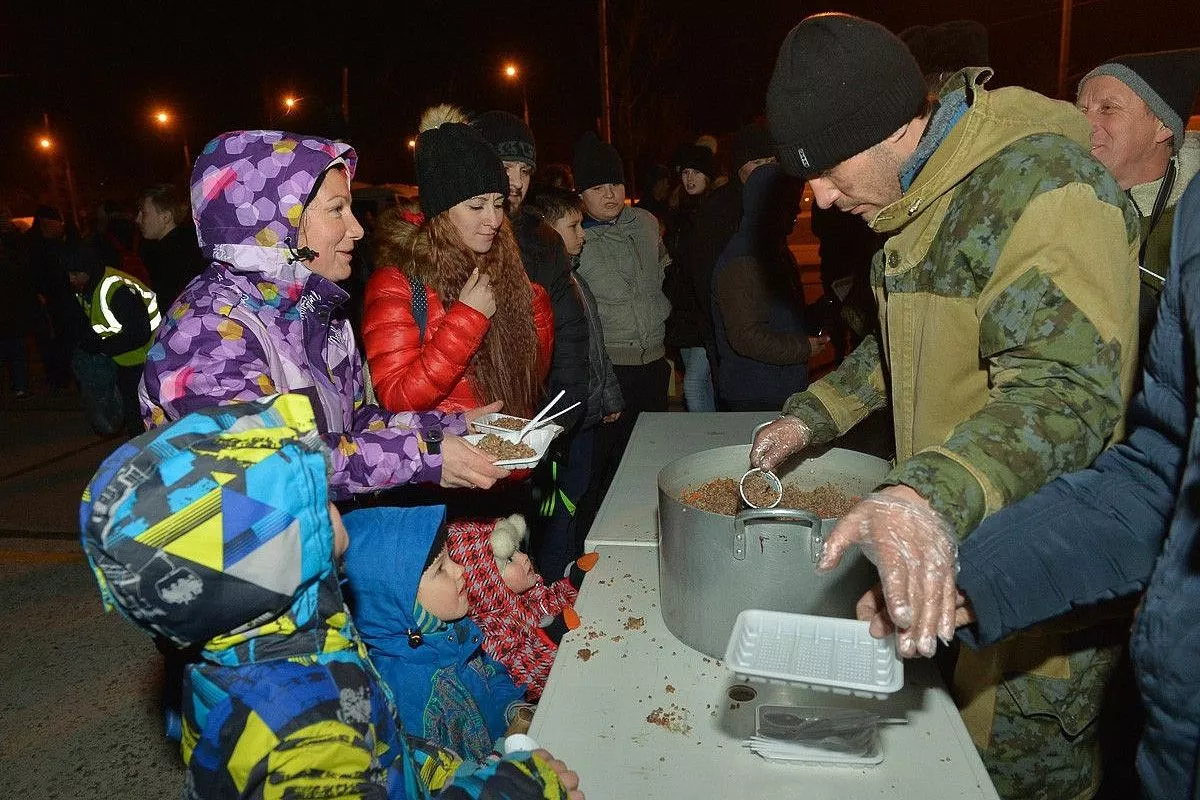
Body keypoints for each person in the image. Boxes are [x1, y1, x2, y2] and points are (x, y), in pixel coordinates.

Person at [754, 14, 1140, 800]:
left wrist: (923, 494)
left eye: (828, 170)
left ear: (893, 126)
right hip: (953, 556)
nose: (820, 197)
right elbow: (900, 346)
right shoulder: (924, 195)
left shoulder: (1043, 187)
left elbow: (1066, 395)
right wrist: (811, 415)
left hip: (1032, 585)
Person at [859, 173, 1200, 800]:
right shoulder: (1199, 220)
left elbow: (1062, 397)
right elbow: (1157, 481)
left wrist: (933, 490)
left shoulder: (1055, 194)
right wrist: (967, 578)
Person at [79, 393, 584, 799]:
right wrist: (514, 788)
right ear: (269, 559)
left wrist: (458, 773)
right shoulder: (302, 739)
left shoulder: (287, 643)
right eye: (318, 497)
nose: (339, 501)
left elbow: (383, 751)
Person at [140, 129, 508, 499]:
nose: (357, 229)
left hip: (311, 530)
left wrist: (451, 427)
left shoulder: (320, 318)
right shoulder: (208, 329)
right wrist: (423, 454)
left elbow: (352, 427)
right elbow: (268, 462)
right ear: (277, 224)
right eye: (336, 210)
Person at [362, 106, 553, 420]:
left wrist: (532, 306)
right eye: (477, 206)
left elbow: (532, 381)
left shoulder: (504, 264)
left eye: (498, 204)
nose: (493, 219)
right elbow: (397, 397)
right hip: (446, 449)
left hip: (508, 445)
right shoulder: (396, 283)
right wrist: (468, 319)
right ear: (441, 211)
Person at [341, 505, 525, 763]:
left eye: (451, 558)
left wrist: (511, 710)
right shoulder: (405, 694)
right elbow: (435, 775)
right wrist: (493, 764)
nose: (459, 570)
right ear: (404, 605)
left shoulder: (453, 632)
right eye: (440, 569)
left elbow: (490, 676)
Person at [523, 187, 624, 571]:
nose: (583, 234)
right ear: (548, 231)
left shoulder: (574, 279)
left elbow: (595, 346)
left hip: (584, 414)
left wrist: (609, 397)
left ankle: (567, 567)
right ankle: (551, 577)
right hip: (559, 422)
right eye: (573, 226)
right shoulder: (543, 285)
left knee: (577, 493)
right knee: (555, 506)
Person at [572, 131, 672, 512]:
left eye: (615, 184)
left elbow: (663, 272)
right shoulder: (575, 237)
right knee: (607, 467)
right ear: (581, 194)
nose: (610, 194)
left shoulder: (646, 223)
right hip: (612, 369)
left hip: (654, 363)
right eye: (597, 188)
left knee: (652, 460)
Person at [1076, 48, 1200, 351]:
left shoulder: (1190, 224)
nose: (1084, 123)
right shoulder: (1058, 205)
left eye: (1107, 108)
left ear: (1163, 126)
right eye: (1081, 110)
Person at [474, 109, 589, 435]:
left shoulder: (544, 241)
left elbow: (569, 332)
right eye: (505, 167)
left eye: (525, 170)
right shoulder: (454, 236)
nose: (516, 181)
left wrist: (559, 416)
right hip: (463, 420)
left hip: (533, 415)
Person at [710, 163, 827, 411]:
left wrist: (826, 307)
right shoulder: (743, 261)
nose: (797, 209)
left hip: (776, 388)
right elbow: (746, 337)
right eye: (790, 203)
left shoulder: (773, 250)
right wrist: (804, 348)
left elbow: (784, 316)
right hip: (756, 395)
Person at [446, 514, 595, 702]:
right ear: (485, 584)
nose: (524, 557)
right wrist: (549, 638)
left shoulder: (522, 596)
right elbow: (521, 681)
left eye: (517, 549)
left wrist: (572, 584)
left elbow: (547, 603)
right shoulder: (488, 635)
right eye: (509, 559)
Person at [690, 120, 778, 404]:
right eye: (757, 162)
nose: (766, 169)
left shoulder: (772, 204)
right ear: (739, 166)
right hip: (731, 337)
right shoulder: (718, 210)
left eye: (771, 161)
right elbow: (704, 276)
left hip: (769, 336)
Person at [65, 243, 159, 436]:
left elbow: (139, 334)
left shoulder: (116, 289)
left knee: (139, 413)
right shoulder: (87, 287)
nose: (71, 279)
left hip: (148, 357)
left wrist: (100, 346)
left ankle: (141, 445)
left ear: (88, 271)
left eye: (75, 274)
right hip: (124, 358)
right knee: (133, 411)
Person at [663, 142, 718, 412]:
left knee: (694, 384)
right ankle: (713, 427)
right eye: (685, 172)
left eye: (696, 172)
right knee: (702, 383)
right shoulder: (677, 212)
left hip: (706, 310)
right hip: (683, 312)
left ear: (708, 175)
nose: (690, 178)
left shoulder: (716, 212)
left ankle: (706, 434)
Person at [135, 183, 205, 309]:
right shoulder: (189, 244)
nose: (138, 219)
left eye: (144, 213)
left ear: (165, 217)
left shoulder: (171, 257)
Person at [0, 208, 35, 398]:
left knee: (17, 346)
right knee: (12, 346)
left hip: (15, 303)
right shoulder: (17, 242)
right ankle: (17, 384)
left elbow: (25, 268)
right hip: (11, 303)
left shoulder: (18, 241)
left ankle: (20, 384)